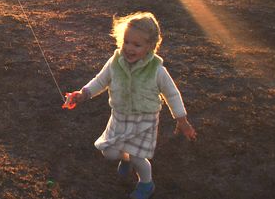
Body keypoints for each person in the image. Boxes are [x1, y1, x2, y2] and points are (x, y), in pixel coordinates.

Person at [65, 12, 197, 199]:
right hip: (120, 116)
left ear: (150, 46)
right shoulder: (115, 62)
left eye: (137, 45)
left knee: (138, 157)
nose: (129, 48)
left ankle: (146, 184)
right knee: (109, 152)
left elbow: (172, 94)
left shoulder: (157, 70)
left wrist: (182, 120)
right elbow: (100, 81)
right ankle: (125, 158)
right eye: (126, 42)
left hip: (145, 120)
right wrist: (83, 94)